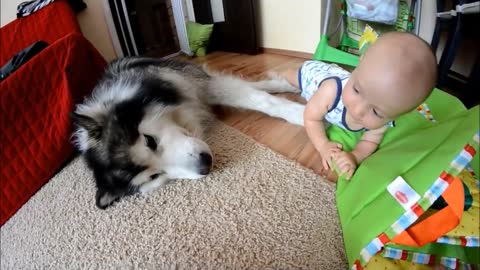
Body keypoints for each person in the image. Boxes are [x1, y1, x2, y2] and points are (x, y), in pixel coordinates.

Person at [278, 32, 437, 179]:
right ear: (358, 65)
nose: (358, 111)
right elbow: (311, 117)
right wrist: (323, 145)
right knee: (291, 79)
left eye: (376, 112)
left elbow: (369, 142)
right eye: (357, 90)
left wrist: (354, 156)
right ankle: (282, 73)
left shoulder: (383, 123)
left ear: (398, 114)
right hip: (313, 75)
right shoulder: (332, 91)